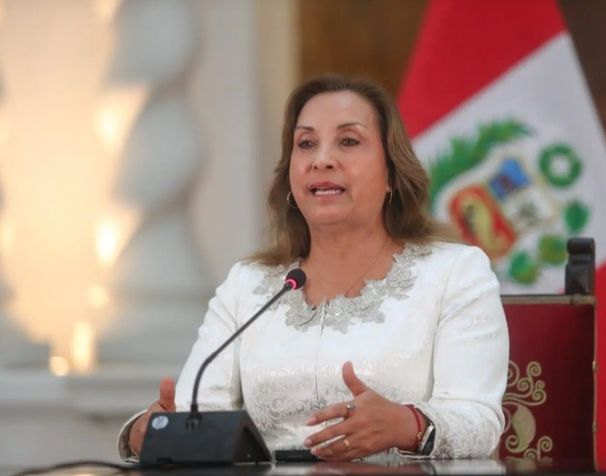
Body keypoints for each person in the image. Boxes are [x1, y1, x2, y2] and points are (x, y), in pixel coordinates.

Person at [118, 74, 509, 461]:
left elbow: (478, 420)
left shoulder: (454, 273)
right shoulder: (248, 285)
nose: (322, 160)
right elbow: (198, 412)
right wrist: (150, 431)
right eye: (306, 144)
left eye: (348, 141)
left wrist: (408, 424)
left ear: (392, 172)